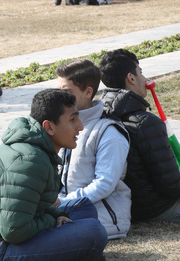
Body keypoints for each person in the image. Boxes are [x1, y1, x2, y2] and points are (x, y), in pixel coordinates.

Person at [0, 89, 109, 260]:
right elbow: (13, 230)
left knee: (83, 207)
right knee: (94, 231)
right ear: (49, 127)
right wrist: (53, 221)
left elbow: (31, 209)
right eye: (72, 119)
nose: (80, 126)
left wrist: (57, 216)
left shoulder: (36, 148)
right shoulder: (28, 161)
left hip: (7, 236)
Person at [100, 49, 180, 222]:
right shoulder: (146, 123)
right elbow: (171, 186)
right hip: (156, 209)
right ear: (131, 78)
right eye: (141, 72)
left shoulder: (100, 115)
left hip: (121, 205)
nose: (144, 79)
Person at [55, 59, 131, 238]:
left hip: (102, 218)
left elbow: (104, 184)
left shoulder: (109, 132)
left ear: (88, 92)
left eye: (66, 92)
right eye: (58, 92)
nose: (59, 98)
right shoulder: (61, 124)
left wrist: (62, 203)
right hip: (66, 210)